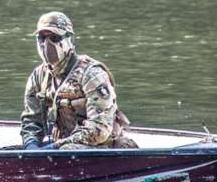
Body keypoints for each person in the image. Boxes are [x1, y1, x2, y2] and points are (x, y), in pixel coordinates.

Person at [20, 12, 136, 150]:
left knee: (66, 151)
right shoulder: (38, 76)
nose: (47, 44)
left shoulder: (91, 74)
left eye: (54, 38)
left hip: (101, 147)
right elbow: (31, 119)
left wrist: (55, 147)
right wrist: (30, 145)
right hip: (62, 146)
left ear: (70, 40)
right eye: (41, 38)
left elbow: (99, 128)